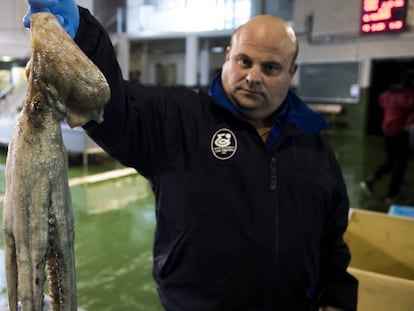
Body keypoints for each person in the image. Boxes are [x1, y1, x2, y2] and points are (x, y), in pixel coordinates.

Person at [23, 1, 358, 310]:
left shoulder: (313, 147)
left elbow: (331, 239)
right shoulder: (176, 119)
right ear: (228, 56)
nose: (253, 77)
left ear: (291, 72)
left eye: (270, 68)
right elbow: (112, 104)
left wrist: (338, 299)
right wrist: (79, 33)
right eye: (245, 61)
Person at [360, 72, 414, 204]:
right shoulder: (408, 96)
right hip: (400, 133)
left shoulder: (388, 94)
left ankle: (369, 182)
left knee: (391, 162)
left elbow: (382, 102)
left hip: (388, 132)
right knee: (400, 165)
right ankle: (392, 195)